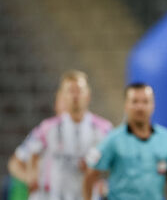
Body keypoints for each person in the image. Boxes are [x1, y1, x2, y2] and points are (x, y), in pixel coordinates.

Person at [7, 70, 113, 200]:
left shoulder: (104, 129)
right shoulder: (47, 129)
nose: (75, 96)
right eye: (70, 91)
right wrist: (29, 178)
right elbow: (16, 162)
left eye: (79, 90)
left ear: (88, 95)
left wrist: (96, 170)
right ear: (63, 96)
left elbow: (116, 166)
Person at [83, 83, 167, 200]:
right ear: (126, 105)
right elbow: (91, 176)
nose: (140, 107)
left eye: (145, 102)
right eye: (134, 101)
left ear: (153, 105)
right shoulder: (112, 140)